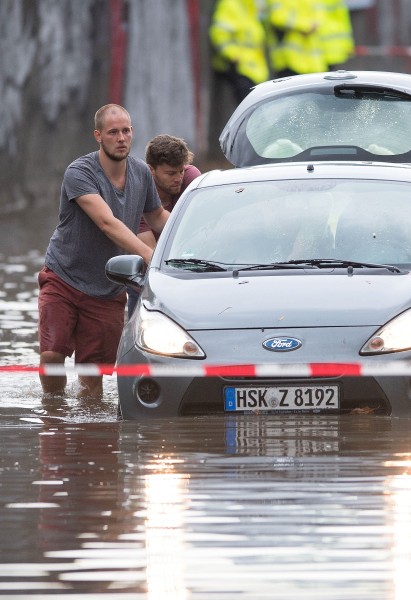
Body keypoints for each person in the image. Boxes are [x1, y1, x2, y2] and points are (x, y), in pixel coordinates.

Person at [37, 104, 169, 400]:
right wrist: (150, 256)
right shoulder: (79, 172)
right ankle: (54, 415)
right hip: (64, 278)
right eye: (113, 132)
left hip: (107, 290)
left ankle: (89, 435)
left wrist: (194, 228)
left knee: (92, 380)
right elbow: (107, 222)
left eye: (126, 131)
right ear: (98, 136)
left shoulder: (141, 173)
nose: (121, 138)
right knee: (52, 356)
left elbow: (158, 215)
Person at [126, 134, 202, 317]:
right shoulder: (138, 193)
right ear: (151, 170)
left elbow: (204, 229)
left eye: (181, 171)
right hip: (146, 279)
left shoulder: (191, 178)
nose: (178, 178)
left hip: (193, 273)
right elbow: (150, 256)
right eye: (170, 173)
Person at [209, 0, 270, 104]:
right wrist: (233, 55)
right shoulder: (230, 4)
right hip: (241, 69)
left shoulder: (252, 6)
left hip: (255, 70)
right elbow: (219, 33)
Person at [266, 0, 328, 78]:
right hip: (289, 61)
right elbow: (277, 17)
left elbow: (321, 16)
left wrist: (312, 26)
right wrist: (306, 26)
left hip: (314, 63)